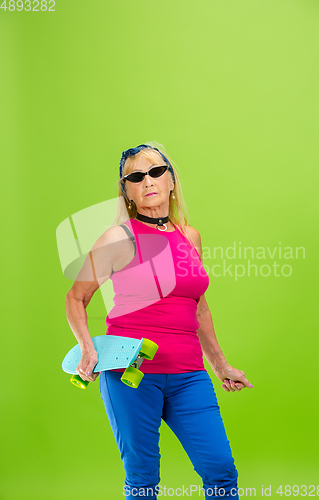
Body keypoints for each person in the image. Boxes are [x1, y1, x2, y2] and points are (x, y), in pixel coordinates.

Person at [65, 143, 253, 500]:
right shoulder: (118, 238)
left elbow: (198, 307)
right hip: (131, 373)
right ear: (128, 191)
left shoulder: (189, 237)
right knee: (142, 478)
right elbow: (77, 297)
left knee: (221, 471)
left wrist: (221, 365)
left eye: (155, 171)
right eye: (136, 176)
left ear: (170, 180)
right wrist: (87, 349)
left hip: (188, 374)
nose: (147, 181)